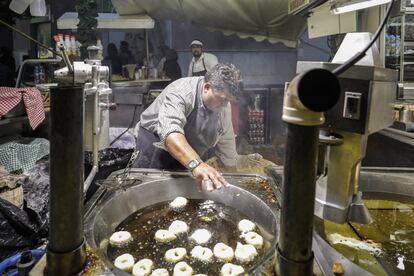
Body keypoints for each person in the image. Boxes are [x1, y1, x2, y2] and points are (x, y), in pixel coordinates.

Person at [134, 63, 242, 191]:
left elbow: (226, 139)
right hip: (155, 140)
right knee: (150, 189)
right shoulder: (182, 91)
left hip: (186, 146)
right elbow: (170, 131)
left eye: (228, 101)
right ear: (207, 87)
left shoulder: (223, 105)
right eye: (222, 99)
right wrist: (197, 164)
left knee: (184, 188)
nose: (225, 105)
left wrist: (234, 179)